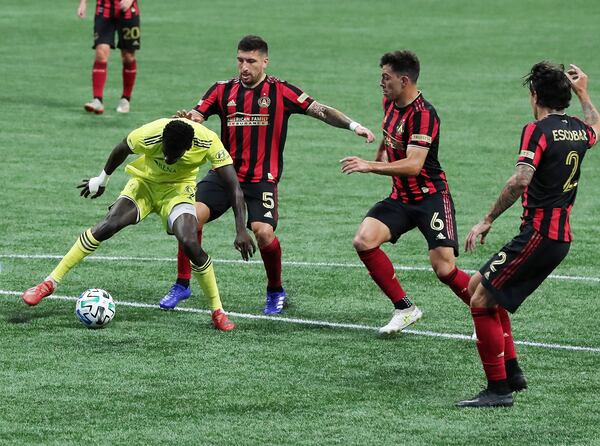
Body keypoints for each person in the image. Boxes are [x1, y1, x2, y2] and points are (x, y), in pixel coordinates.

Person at [161, 35, 375, 314]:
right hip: (224, 174)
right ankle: (182, 283)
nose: (244, 67)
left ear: (265, 61)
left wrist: (353, 126)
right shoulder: (222, 90)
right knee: (187, 218)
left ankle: (275, 290)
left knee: (263, 233)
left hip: (261, 179)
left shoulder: (281, 91)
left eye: (251, 61)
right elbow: (197, 115)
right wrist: (189, 120)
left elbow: (320, 110)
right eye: (240, 60)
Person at [22, 118, 256, 331]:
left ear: (188, 148)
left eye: (174, 155)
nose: (167, 158)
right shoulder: (150, 133)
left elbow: (233, 186)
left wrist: (240, 229)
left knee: (189, 242)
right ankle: (48, 284)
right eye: (165, 151)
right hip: (144, 185)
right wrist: (102, 180)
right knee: (107, 226)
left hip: (178, 190)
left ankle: (217, 311)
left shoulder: (207, 141)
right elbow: (122, 148)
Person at [456, 62, 599, 408]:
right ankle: (512, 371)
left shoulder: (538, 130)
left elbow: (521, 180)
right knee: (478, 285)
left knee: (481, 301)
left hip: (539, 235)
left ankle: (498, 390)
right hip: (555, 236)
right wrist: (585, 93)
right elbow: (596, 126)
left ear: (535, 96)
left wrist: (488, 218)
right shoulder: (578, 130)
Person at [340, 50, 472, 335]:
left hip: (430, 198)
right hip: (401, 198)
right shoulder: (389, 101)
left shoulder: (424, 114)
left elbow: (414, 165)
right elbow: (390, 135)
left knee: (444, 268)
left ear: (404, 80)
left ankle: (483, 309)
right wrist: (381, 151)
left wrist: (370, 166)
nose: (381, 82)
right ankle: (405, 308)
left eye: (386, 78)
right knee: (364, 240)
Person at [77, 0, 140, 114]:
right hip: (103, 11)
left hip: (128, 11)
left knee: (128, 56)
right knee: (101, 52)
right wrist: (83, 2)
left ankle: (125, 98)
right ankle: (97, 100)